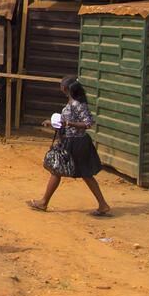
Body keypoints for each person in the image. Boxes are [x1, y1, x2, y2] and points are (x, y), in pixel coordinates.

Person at [27, 77, 112, 217]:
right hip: (74, 141)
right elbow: (68, 121)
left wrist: (69, 124)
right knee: (83, 173)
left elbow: (88, 123)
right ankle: (103, 205)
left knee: (58, 170)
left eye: (61, 86)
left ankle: (43, 202)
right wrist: (54, 123)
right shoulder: (72, 102)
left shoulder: (77, 104)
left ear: (66, 89)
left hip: (76, 143)